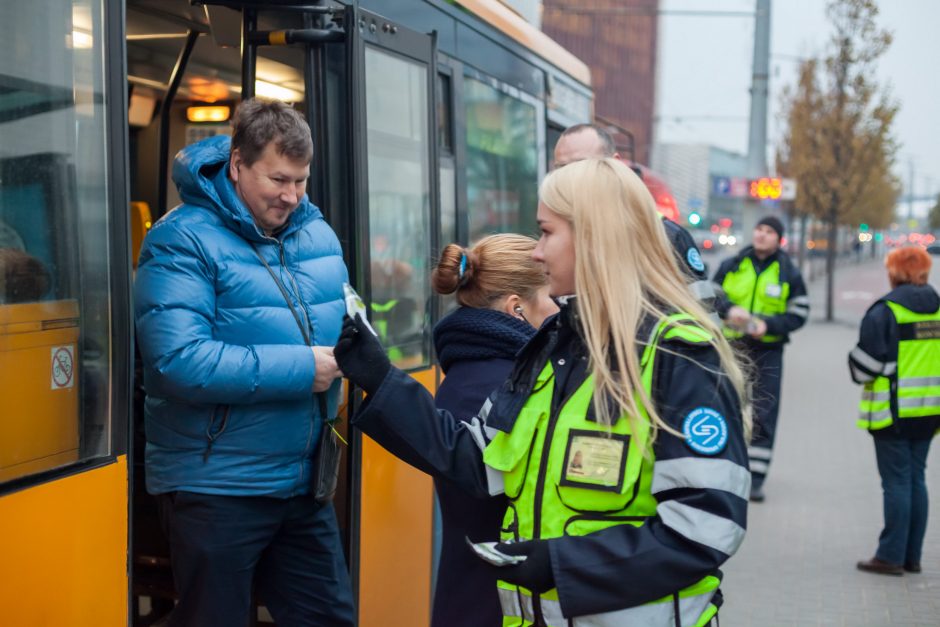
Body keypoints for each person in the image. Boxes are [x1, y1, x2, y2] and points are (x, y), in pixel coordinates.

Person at [336, 158, 752, 626]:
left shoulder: (678, 357)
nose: (536, 252)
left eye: (546, 233)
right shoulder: (555, 346)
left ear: (595, 237)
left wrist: (562, 566)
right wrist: (381, 380)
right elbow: (476, 459)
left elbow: (706, 526)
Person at [134, 99, 354, 626]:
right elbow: (176, 361)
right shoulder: (179, 238)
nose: (291, 196)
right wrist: (305, 368)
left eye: (301, 181)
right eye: (278, 179)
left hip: (302, 484)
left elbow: (344, 320)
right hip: (218, 486)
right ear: (236, 165)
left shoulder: (315, 233)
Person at [429, 234, 557, 627]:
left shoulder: (474, 373)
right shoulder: (506, 386)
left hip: (473, 597)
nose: (564, 311)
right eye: (554, 298)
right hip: (494, 604)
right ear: (517, 308)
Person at [849, 246, 940, 576]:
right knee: (917, 479)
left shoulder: (885, 311)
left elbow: (865, 368)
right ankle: (912, 556)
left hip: (893, 413)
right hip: (930, 411)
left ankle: (890, 556)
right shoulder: (938, 307)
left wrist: (854, 361)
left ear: (894, 272)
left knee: (897, 483)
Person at [552, 124, 714, 305]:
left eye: (580, 165)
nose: (567, 177)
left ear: (615, 164)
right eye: (560, 169)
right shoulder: (554, 231)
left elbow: (703, 316)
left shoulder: (667, 237)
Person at [713, 215, 808, 502]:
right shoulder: (733, 265)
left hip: (768, 350)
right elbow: (710, 294)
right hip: (733, 348)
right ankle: (725, 469)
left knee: (764, 413)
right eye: (759, 229)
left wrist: (769, 325)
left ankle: (755, 479)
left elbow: (800, 312)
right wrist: (729, 310)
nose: (762, 235)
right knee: (727, 404)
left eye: (769, 231)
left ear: (778, 239)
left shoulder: (788, 272)